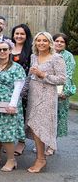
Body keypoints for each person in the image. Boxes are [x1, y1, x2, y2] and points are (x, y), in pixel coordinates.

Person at [25, 32, 66, 173]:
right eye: (38, 40)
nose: (41, 43)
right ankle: (40, 157)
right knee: (34, 127)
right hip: (33, 95)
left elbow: (62, 79)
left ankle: (41, 159)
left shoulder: (56, 58)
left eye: (44, 41)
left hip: (47, 97)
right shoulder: (33, 57)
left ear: (50, 43)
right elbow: (30, 77)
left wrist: (43, 75)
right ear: (35, 42)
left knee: (41, 127)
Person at [0, 39, 26, 172]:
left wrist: (13, 104)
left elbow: (18, 87)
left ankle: (11, 160)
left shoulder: (16, 67)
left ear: (10, 51)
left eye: (5, 49)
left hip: (8, 103)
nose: (2, 52)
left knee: (6, 133)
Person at [10, 23, 33, 156]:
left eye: (22, 34)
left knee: (22, 115)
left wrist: (25, 88)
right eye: (16, 33)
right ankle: (8, 139)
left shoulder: (30, 50)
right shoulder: (7, 47)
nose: (19, 36)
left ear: (26, 35)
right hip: (7, 88)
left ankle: (21, 141)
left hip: (24, 89)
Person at [54, 33, 76, 143]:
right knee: (46, 118)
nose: (59, 43)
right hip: (46, 90)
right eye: (57, 41)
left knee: (57, 117)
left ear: (65, 44)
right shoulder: (48, 53)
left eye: (62, 42)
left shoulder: (68, 56)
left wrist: (60, 92)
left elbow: (67, 75)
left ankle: (52, 145)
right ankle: (43, 143)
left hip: (61, 91)